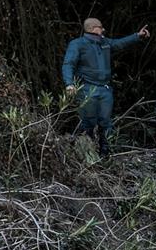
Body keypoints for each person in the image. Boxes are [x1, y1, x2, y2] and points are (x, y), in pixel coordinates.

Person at [61, 17, 148, 155]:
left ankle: (105, 155)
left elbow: (120, 43)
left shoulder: (105, 43)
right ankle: (86, 156)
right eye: (101, 27)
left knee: (106, 124)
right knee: (87, 124)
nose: (103, 29)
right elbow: (68, 64)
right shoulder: (78, 44)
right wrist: (69, 84)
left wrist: (137, 36)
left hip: (105, 89)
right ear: (93, 28)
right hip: (87, 88)